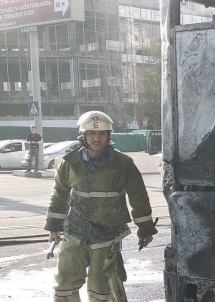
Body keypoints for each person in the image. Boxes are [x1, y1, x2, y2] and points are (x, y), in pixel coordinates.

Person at [44, 111, 158, 301]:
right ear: (83, 136)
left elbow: (138, 197)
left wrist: (145, 229)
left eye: (102, 134)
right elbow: (59, 194)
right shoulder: (69, 163)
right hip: (75, 232)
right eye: (91, 134)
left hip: (107, 236)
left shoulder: (123, 164)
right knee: (64, 283)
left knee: (102, 290)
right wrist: (54, 227)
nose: (97, 138)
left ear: (108, 136)